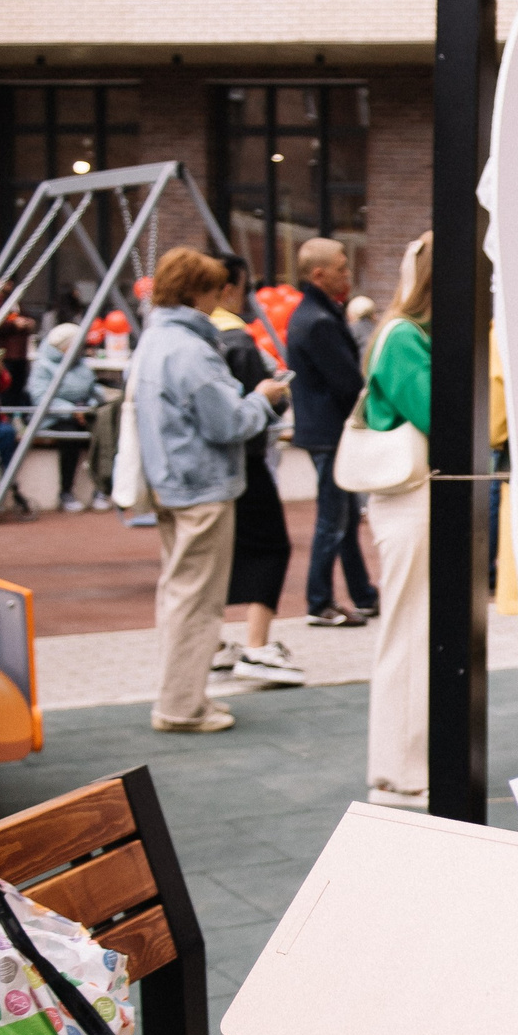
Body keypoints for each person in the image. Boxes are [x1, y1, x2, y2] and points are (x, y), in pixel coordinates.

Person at [129, 248, 286, 733]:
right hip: (203, 485)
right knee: (197, 602)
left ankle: (182, 697)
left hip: (170, 484)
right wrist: (263, 398)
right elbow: (227, 422)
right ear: (200, 291)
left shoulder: (155, 340)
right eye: (217, 288)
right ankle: (181, 706)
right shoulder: (191, 349)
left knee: (178, 595)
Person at [363, 233, 434, 809]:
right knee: (408, 629)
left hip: (411, 494)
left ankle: (404, 763)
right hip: (409, 494)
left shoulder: (401, 333)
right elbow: (437, 411)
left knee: (412, 627)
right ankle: (400, 768)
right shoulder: (404, 337)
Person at [209, 280, 305, 688]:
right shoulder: (235, 341)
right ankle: (256, 645)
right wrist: (268, 397)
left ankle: (212, 645)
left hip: (196, 470)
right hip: (238, 462)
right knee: (270, 546)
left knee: (207, 558)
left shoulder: (173, 341)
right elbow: (233, 419)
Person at [286, 236, 377, 627]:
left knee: (341, 515)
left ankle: (362, 593)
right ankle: (319, 600)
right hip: (330, 432)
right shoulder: (321, 321)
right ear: (319, 274)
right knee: (333, 518)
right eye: (341, 268)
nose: (348, 275)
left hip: (321, 430)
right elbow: (346, 383)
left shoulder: (311, 315)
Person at [25, 321, 120, 512]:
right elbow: (40, 397)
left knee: (107, 431)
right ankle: (66, 491)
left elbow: (92, 390)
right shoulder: (43, 366)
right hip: (54, 418)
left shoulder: (81, 365)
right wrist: (71, 410)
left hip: (84, 414)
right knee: (69, 438)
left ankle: (102, 488)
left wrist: (92, 406)